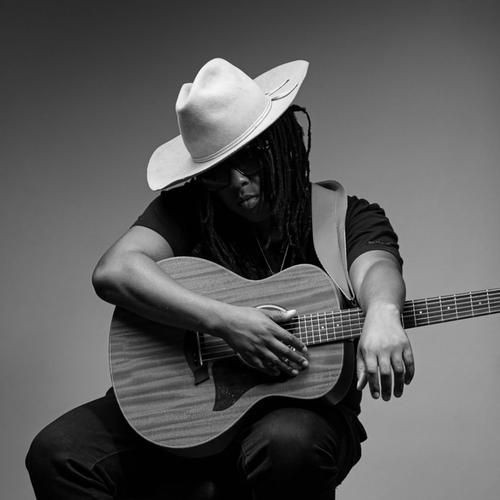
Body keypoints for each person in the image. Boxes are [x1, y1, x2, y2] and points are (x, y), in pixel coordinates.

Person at [26, 58, 414, 500]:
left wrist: (383, 312)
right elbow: (114, 271)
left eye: (249, 159)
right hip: (187, 407)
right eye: (217, 172)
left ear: (281, 143)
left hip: (298, 415)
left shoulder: (345, 218)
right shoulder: (193, 208)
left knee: (286, 444)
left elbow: (377, 267)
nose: (238, 183)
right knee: (59, 453)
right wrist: (226, 322)